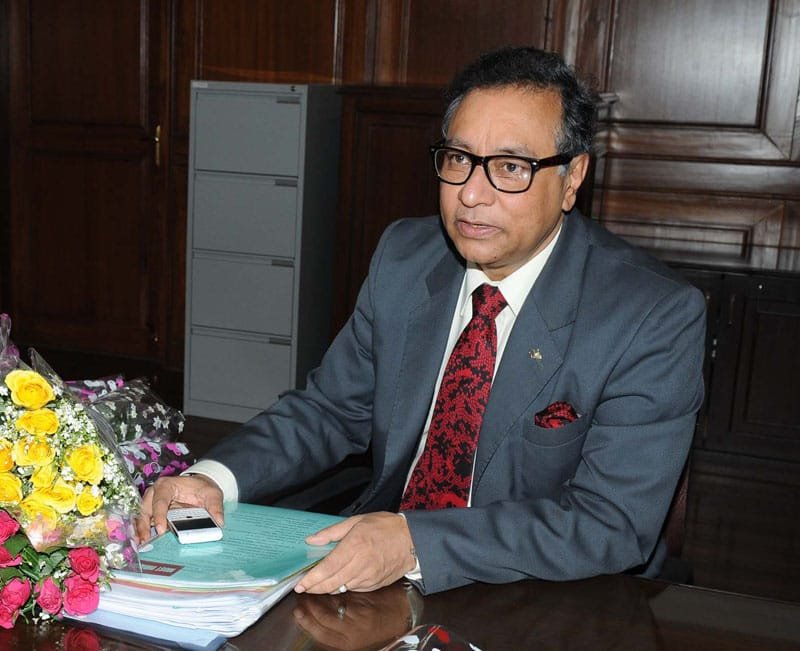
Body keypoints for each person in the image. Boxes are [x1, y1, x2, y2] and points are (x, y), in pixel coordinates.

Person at [137, 46, 706, 596]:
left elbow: (611, 524)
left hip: (546, 594)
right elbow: (331, 409)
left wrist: (415, 543)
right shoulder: (407, 257)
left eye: (510, 167)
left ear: (573, 177)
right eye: (458, 159)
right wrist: (214, 477)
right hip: (375, 565)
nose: (471, 195)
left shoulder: (651, 314)